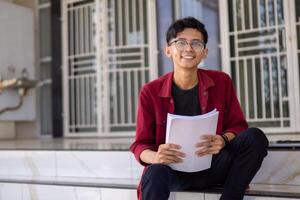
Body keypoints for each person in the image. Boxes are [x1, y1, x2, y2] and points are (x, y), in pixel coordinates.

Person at [130, 17, 269, 200]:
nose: (188, 49)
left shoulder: (221, 81)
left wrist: (223, 139)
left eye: (196, 43)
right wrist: (156, 157)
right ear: (168, 50)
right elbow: (140, 144)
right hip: (172, 172)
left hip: (214, 166)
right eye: (180, 43)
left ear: (204, 52)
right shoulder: (150, 91)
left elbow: (238, 126)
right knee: (154, 172)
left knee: (255, 137)